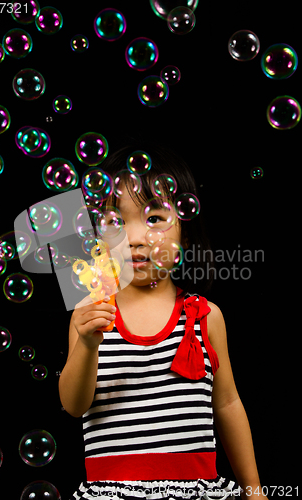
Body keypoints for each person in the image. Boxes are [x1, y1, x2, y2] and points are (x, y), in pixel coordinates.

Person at [58, 138, 268, 500]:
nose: (135, 237)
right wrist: (89, 344)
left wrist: (254, 491)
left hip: (197, 490)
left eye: (154, 218)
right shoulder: (89, 313)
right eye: (115, 221)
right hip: (113, 492)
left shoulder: (205, 315)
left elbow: (228, 403)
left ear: (185, 233)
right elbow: (74, 405)